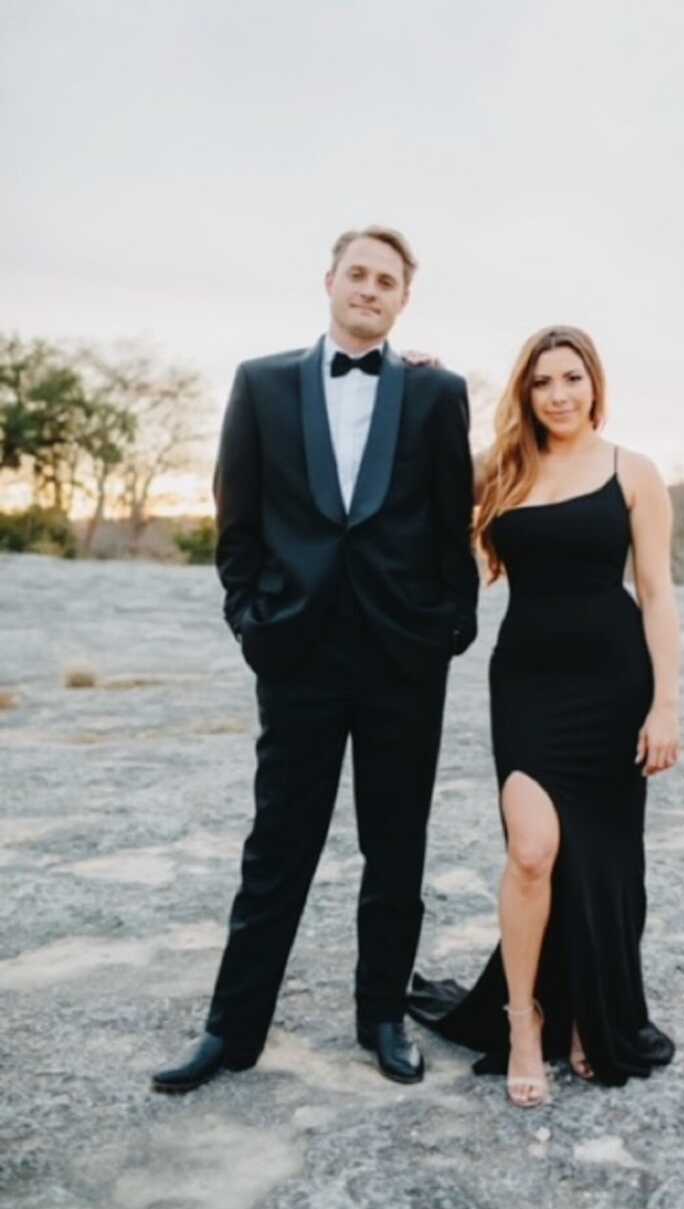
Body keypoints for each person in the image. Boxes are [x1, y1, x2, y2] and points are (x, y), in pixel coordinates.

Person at [152, 226, 479, 1093]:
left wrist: (448, 625)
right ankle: (232, 1030)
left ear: (404, 300)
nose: (370, 289)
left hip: (403, 657)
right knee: (278, 843)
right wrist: (250, 619)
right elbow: (238, 519)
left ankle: (380, 1016)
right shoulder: (259, 383)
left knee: (396, 844)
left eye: (388, 281)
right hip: (296, 650)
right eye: (358, 274)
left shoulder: (439, 391)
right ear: (329, 280)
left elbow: (454, 520)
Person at [409, 325, 679, 1107]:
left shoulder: (635, 471)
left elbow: (657, 591)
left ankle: (592, 1016)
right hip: (527, 682)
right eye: (543, 382)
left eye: (573, 378)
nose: (560, 394)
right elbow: (417, 480)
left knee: (601, 858)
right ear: (525, 393)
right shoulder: (502, 470)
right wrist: (419, 380)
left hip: (615, 682)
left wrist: (666, 702)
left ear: (595, 384)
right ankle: (524, 1020)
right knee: (532, 851)